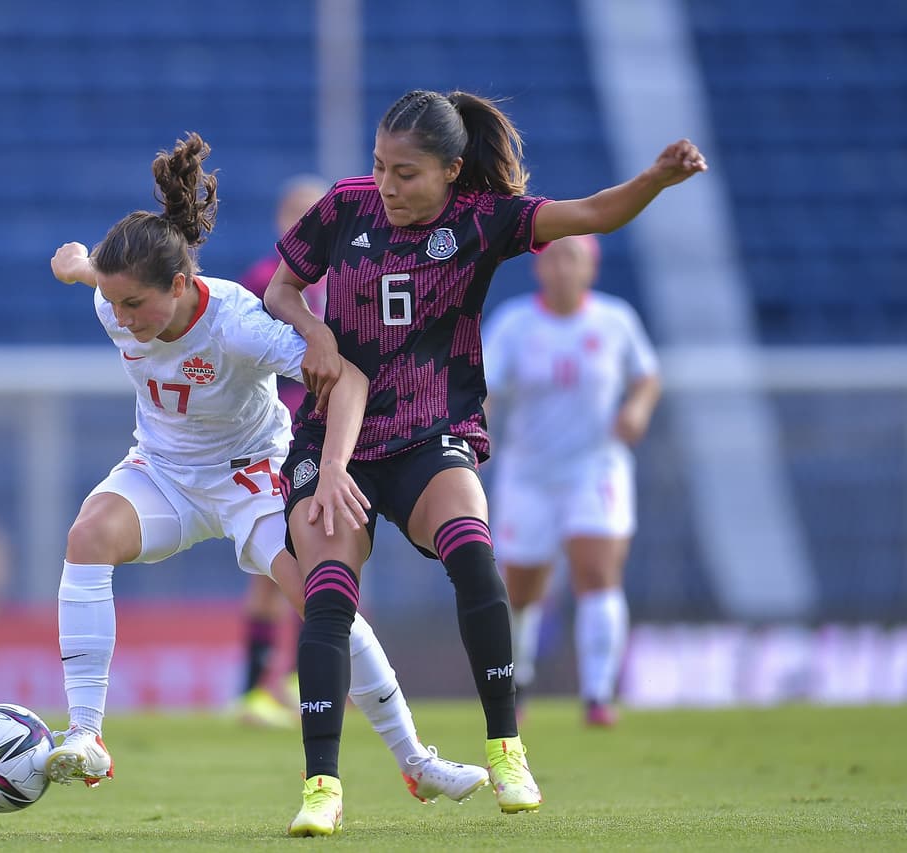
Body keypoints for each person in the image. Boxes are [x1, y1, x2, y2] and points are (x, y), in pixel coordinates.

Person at [263, 88, 705, 835]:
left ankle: (506, 748)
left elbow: (592, 214)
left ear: (450, 171)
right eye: (379, 167)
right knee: (328, 592)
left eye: (407, 172)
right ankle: (322, 788)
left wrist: (654, 181)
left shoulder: (482, 219)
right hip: (334, 443)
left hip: (433, 433)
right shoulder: (343, 207)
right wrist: (313, 330)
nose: (389, 185)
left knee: (473, 552)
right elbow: (281, 287)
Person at [46, 132, 490, 808]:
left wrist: (334, 454)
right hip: (162, 472)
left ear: (180, 284)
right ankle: (86, 734)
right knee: (87, 536)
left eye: (136, 305)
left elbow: (344, 379)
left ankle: (415, 759)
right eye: (114, 302)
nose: (123, 318)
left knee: (323, 606)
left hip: (252, 475)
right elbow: (95, 279)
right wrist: (77, 265)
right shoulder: (116, 299)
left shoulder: (238, 324)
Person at [482, 234, 661, 727]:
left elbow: (646, 376)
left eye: (573, 258)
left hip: (595, 467)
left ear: (591, 268)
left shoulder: (615, 320)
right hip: (529, 472)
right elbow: (486, 388)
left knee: (597, 570)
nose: (562, 268)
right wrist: (478, 435)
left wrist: (637, 409)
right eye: (553, 258)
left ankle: (598, 693)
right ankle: (519, 681)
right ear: (539, 268)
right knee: (520, 586)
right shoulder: (516, 324)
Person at [232, 175, 330, 729]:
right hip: (277, 439)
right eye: (294, 211)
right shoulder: (263, 281)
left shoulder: (344, 278)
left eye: (311, 211)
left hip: (331, 435)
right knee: (272, 564)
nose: (302, 220)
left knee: (322, 558)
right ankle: (253, 691)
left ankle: (298, 682)